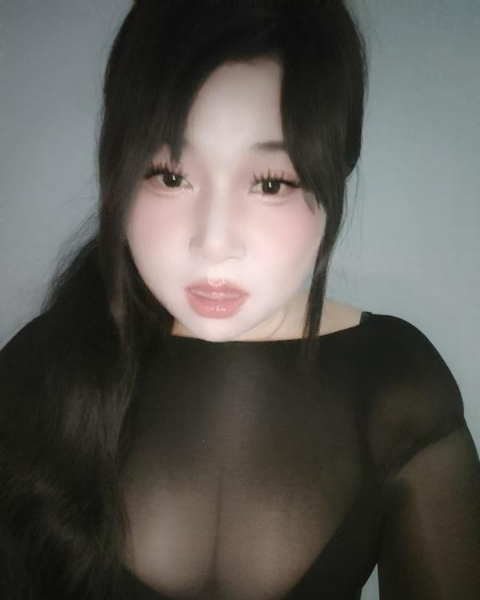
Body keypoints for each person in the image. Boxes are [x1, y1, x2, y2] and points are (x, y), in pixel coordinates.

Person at [1, 0, 479, 599]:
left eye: (271, 183)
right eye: (170, 175)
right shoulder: (39, 372)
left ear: (336, 172)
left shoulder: (396, 389)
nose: (215, 242)